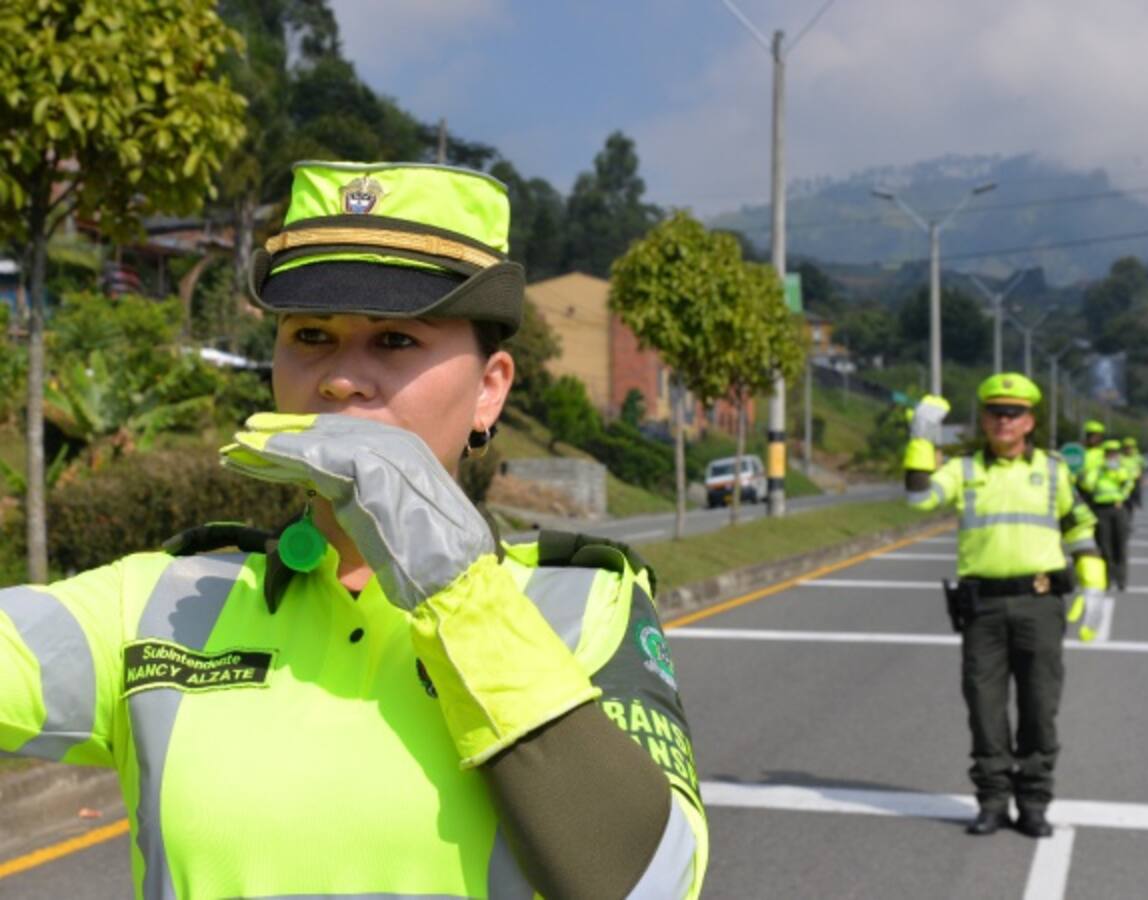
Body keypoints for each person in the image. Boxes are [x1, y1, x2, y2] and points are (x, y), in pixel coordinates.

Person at [0, 162, 708, 899]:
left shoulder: (582, 606)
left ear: (489, 388)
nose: (341, 378)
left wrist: (459, 592)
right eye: (311, 334)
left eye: (397, 341)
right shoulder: (166, 599)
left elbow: (655, 882)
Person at [903, 373, 1106, 839]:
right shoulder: (965, 469)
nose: (1003, 420)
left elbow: (1079, 526)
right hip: (983, 610)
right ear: (984, 418)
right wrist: (920, 439)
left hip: (1040, 605)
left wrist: (1093, 583)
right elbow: (918, 498)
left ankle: (1033, 802)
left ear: (1030, 420)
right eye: (995, 412)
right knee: (984, 708)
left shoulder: (1054, 470)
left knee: (1039, 707)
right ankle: (992, 801)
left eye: (1013, 413)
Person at [1079, 438, 1134, 591]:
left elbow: (1129, 483)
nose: (1112, 457)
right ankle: (1107, 579)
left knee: (1120, 546)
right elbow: (1087, 485)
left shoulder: (1122, 469)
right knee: (1104, 545)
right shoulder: (1097, 470)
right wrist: (1098, 471)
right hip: (1101, 510)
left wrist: (1121, 497)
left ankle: (1121, 580)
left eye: (1114, 453)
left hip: (1118, 509)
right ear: (1104, 455)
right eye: (1109, 453)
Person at [1121, 436, 1145, 526]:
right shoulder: (1120, 457)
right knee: (1123, 503)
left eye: (1130, 447)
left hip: (1135, 482)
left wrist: (1140, 478)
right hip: (1123, 482)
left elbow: (1142, 469)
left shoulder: (1138, 457)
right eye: (1126, 447)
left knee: (1131, 504)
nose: (1128, 449)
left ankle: (1128, 521)